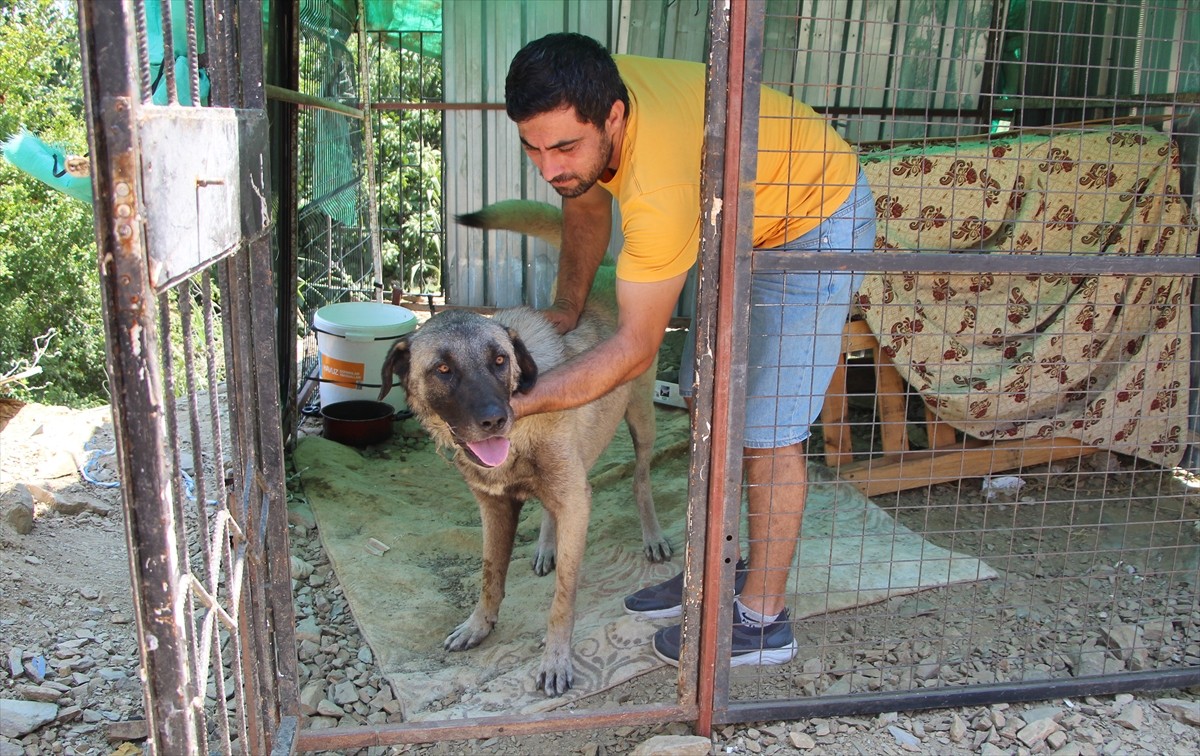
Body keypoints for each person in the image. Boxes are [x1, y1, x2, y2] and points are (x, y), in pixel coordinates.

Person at [503, 32, 876, 666]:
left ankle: (763, 622)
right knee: (707, 399)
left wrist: (516, 405)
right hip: (742, 214)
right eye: (532, 148)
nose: (548, 168)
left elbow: (634, 349)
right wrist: (567, 306)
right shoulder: (591, 93)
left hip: (814, 214)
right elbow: (583, 201)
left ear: (613, 116)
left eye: (563, 147)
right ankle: (716, 571)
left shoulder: (660, 188)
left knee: (767, 427)